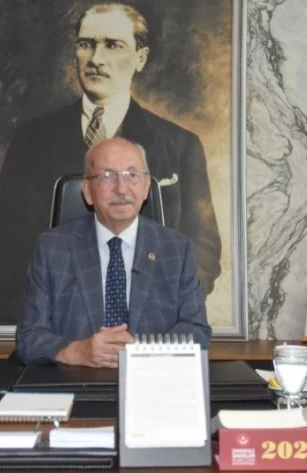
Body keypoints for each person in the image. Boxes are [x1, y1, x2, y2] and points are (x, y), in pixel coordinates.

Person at [0, 2, 221, 325]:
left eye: (113, 45)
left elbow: (204, 249)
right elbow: (4, 252)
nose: (96, 59)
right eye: (86, 44)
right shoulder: (31, 139)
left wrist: (157, 311)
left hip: (147, 330)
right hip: (58, 330)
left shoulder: (180, 145)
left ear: (141, 58)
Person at [15, 137, 211, 366]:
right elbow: (29, 337)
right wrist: (77, 352)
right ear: (88, 191)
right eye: (107, 176)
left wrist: (140, 351)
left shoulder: (176, 250)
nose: (121, 188)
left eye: (132, 175)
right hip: (75, 381)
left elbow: (197, 332)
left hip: (149, 380)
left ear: (146, 187)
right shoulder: (52, 249)